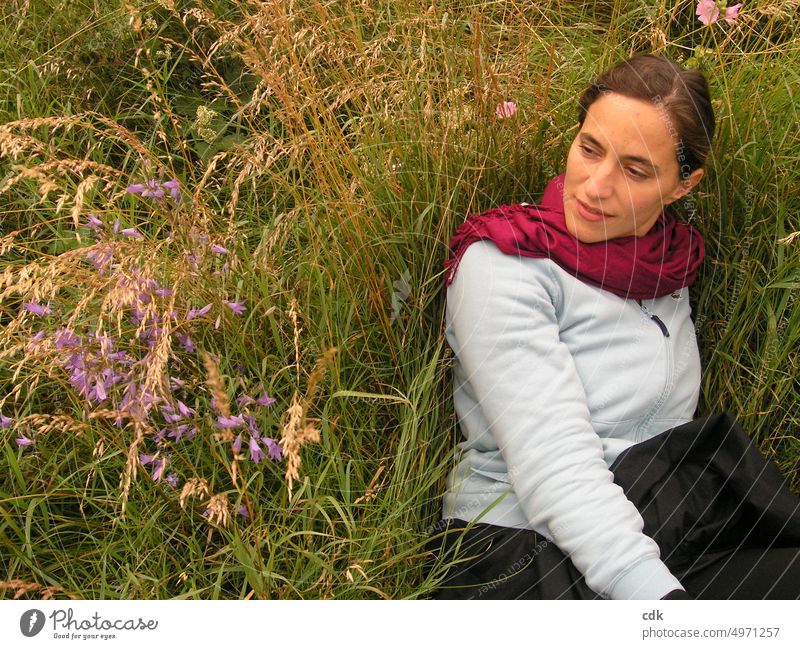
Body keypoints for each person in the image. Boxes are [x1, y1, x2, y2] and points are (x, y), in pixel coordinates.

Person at [425, 53, 800, 600]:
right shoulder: (507, 262)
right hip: (523, 553)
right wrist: (660, 607)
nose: (596, 186)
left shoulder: (666, 263)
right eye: (589, 149)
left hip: (659, 524)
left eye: (636, 169)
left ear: (682, 186)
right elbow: (555, 465)